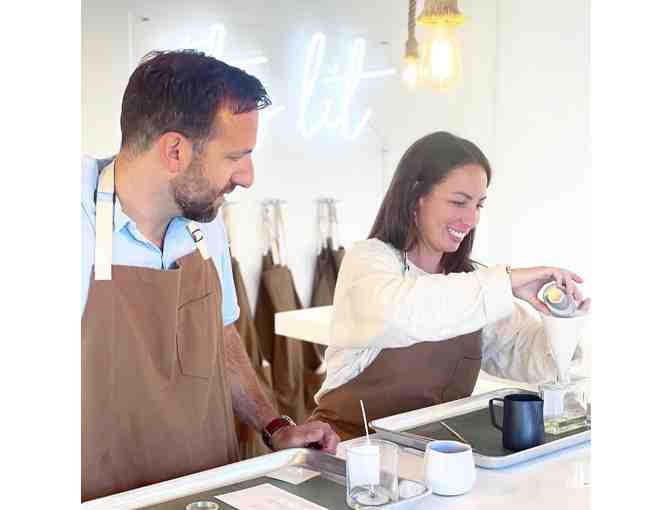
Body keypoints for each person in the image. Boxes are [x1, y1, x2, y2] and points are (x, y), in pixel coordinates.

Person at [81, 50, 338, 502]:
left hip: (212, 490)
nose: (248, 177)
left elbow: (221, 335)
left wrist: (274, 426)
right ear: (175, 151)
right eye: (235, 156)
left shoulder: (205, 222)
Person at [310, 131, 591, 440]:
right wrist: (507, 281)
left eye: (479, 205)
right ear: (415, 197)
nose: (470, 219)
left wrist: (562, 323)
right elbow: (402, 313)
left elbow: (524, 353)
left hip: (432, 454)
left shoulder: (471, 282)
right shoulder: (368, 260)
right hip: (347, 448)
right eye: (459, 202)